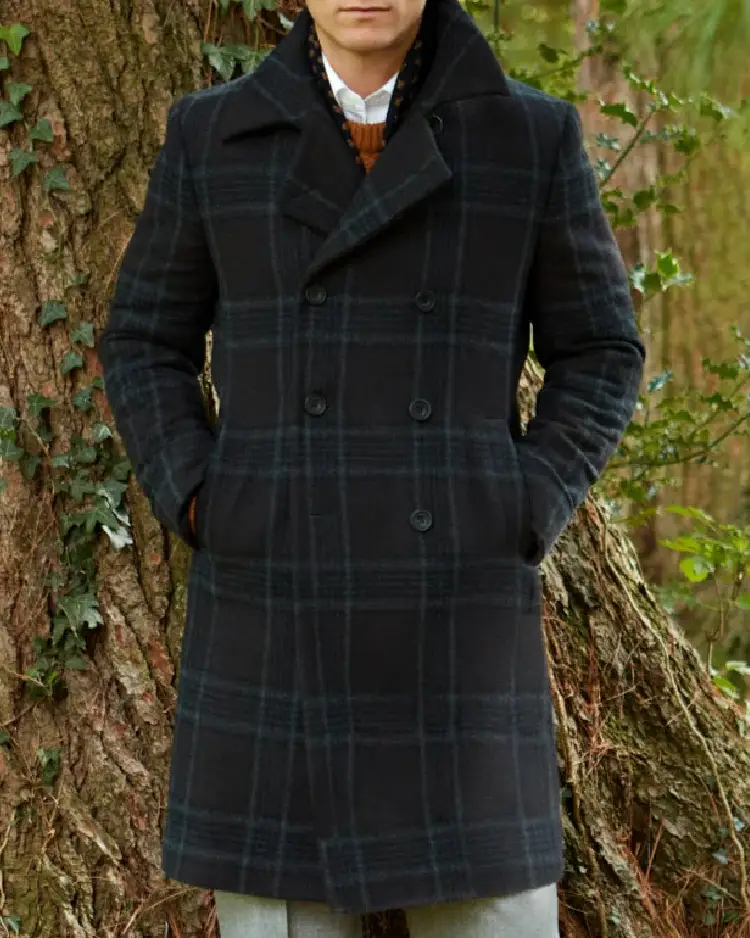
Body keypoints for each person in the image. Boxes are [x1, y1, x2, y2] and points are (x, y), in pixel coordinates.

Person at [97, 0, 645, 932]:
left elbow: (601, 347)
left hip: (460, 627)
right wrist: (201, 496)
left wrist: (524, 503)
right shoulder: (213, 135)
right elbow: (144, 338)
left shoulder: (528, 136)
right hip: (274, 613)